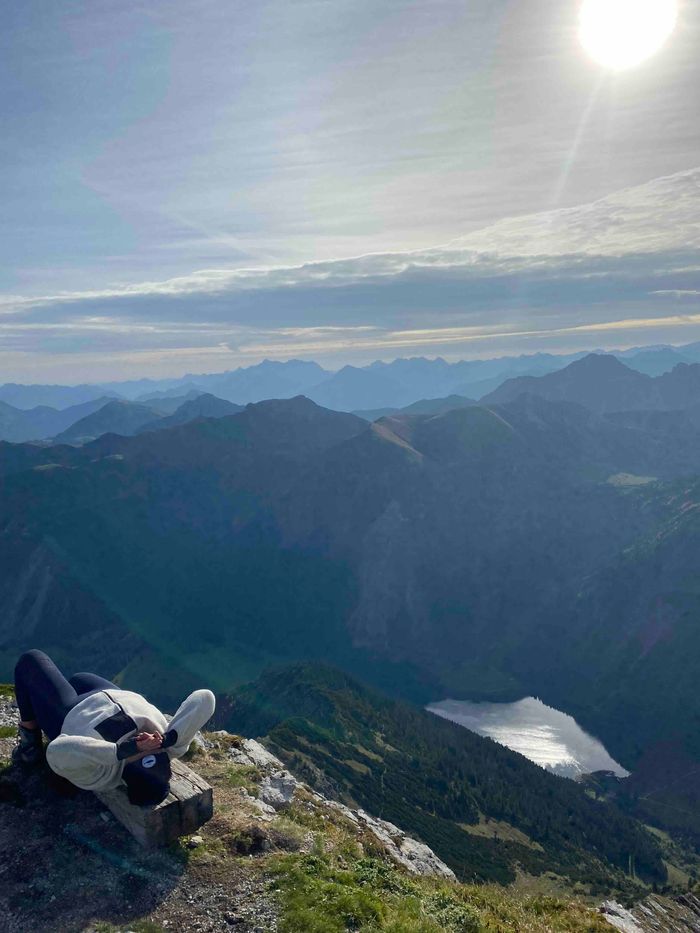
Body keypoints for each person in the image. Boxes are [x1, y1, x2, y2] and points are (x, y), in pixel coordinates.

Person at [13, 649, 216, 806]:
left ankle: (29, 743)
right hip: (111, 695)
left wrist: (124, 749)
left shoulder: (100, 775)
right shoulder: (170, 745)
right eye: (155, 751)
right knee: (79, 679)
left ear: (124, 771)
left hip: (73, 714)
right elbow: (205, 698)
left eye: (139, 753)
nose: (145, 740)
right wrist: (169, 738)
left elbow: (57, 751)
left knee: (30, 660)